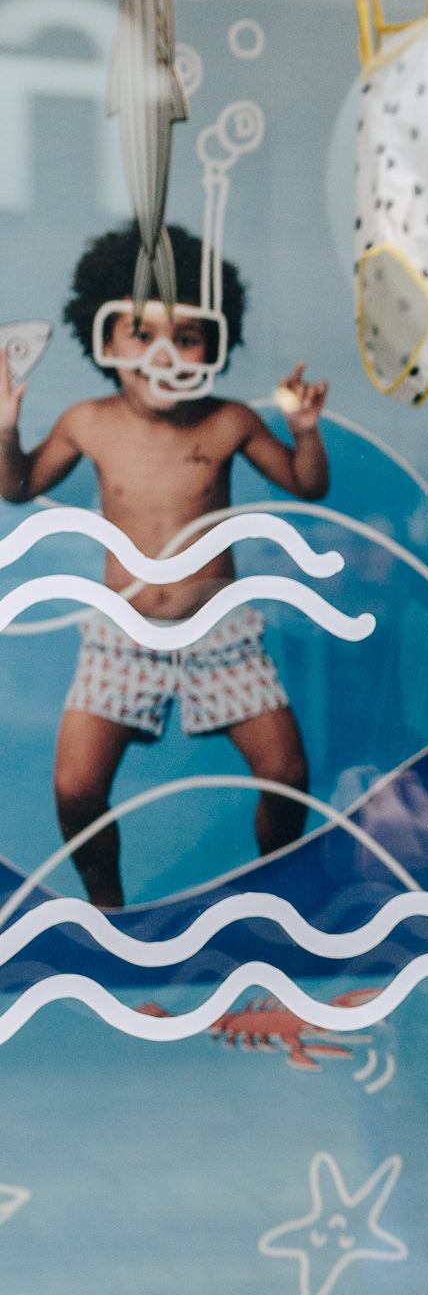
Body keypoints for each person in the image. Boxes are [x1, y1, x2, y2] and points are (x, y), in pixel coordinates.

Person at [0, 222, 331, 907]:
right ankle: (108, 909)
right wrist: (6, 429)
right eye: (141, 334)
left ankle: (281, 897)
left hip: (221, 633)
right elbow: (19, 486)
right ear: (105, 339)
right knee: (76, 787)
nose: (162, 354)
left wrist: (305, 432)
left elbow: (308, 485)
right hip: (122, 635)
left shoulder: (230, 420)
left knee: (287, 773)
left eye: (185, 337)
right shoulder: (87, 421)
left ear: (214, 342)